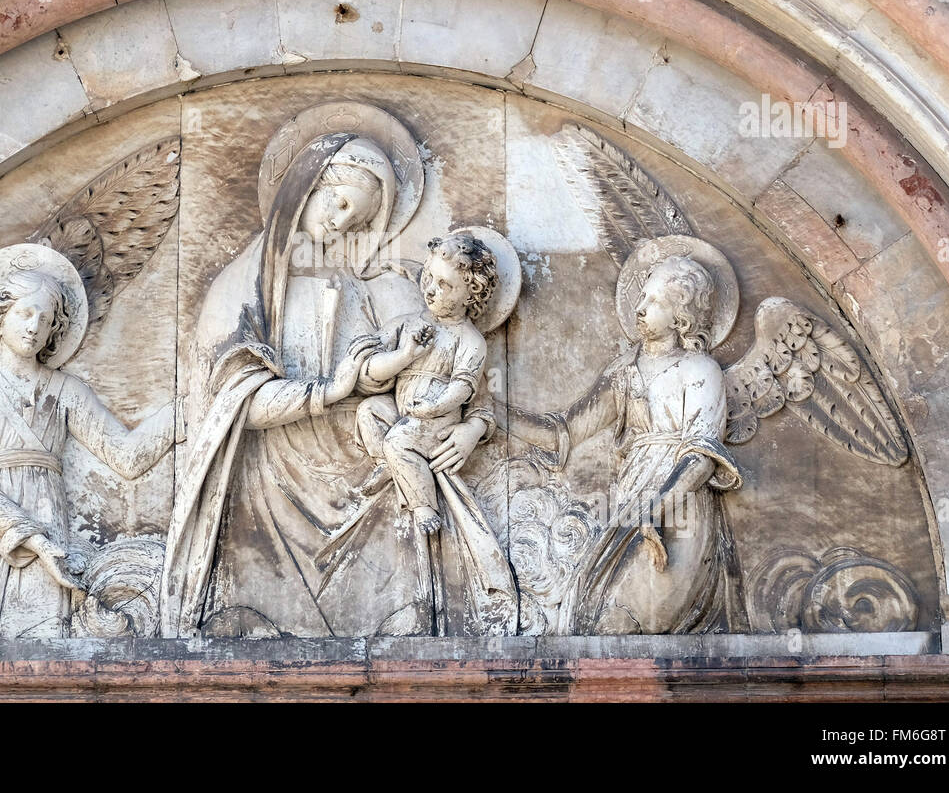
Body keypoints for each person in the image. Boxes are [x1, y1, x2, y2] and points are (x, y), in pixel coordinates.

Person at [163, 132, 515, 638]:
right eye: (342, 203)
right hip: (272, 491)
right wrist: (330, 390)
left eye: (361, 221)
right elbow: (231, 402)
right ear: (308, 184)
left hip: (367, 482)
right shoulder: (246, 287)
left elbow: (443, 371)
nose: (342, 223)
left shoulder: (371, 287)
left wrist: (476, 427)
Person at [0, 247, 173, 638]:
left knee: (41, 653)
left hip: (49, 535)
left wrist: (184, 413)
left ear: (54, 332)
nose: (33, 326)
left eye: (44, 320)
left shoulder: (66, 391)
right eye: (24, 313)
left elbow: (126, 456)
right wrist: (33, 538)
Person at [509, 253, 747, 634]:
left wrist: (656, 509)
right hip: (628, 503)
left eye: (653, 302)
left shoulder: (700, 370)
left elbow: (701, 457)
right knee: (587, 619)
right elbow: (564, 432)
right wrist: (496, 412)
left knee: (627, 623)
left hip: (679, 510)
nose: (639, 309)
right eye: (641, 298)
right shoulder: (623, 371)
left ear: (681, 316)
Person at [356, 232, 499, 536]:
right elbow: (368, 369)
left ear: (470, 294)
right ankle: (391, 467)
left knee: (397, 440)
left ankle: (424, 505)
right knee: (368, 411)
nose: (431, 290)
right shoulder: (407, 324)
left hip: (434, 423)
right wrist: (405, 355)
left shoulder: (470, 341)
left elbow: (468, 392)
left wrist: (443, 411)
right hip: (403, 412)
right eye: (429, 277)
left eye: (445, 285)